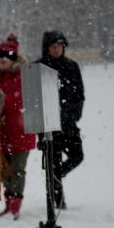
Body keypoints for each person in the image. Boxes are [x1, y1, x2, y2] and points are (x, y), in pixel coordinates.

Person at [38, 30, 85, 209]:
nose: (57, 49)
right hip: (48, 127)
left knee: (77, 156)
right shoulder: (39, 68)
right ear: (47, 48)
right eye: (53, 46)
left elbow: (80, 94)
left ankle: (57, 177)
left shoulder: (72, 66)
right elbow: (34, 100)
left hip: (69, 124)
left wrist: (73, 115)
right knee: (52, 162)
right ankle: (57, 203)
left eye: (60, 46)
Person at [0, 34, 34, 219]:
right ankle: (8, 203)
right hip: (1, 133)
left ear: (12, 60)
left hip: (21, 131)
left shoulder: (24, 77)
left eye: (4, 59)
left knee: (18, 170)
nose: (0, 63)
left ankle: (15, 204)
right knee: (4, 170)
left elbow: (20, 102)